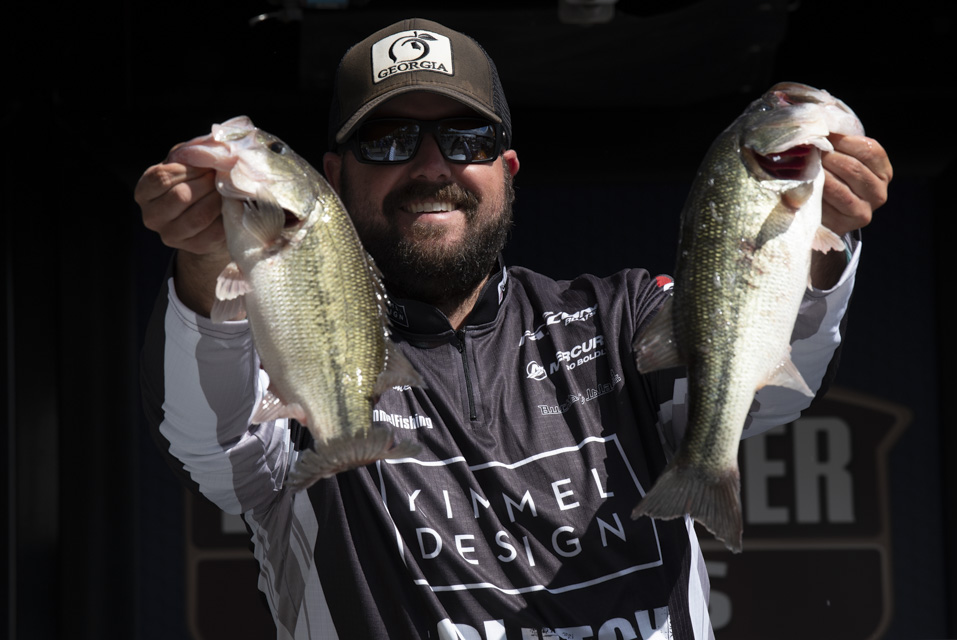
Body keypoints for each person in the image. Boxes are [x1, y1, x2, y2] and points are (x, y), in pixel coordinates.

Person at [136, 17, 891, 640]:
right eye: (389, 139)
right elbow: (213, 448)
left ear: (508, 166)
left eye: (466, 138)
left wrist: (816, 244)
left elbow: (769, 395)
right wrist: (206, 268)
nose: (432, 167)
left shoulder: (622, 318)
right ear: (334, 178)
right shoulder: (288, 350)